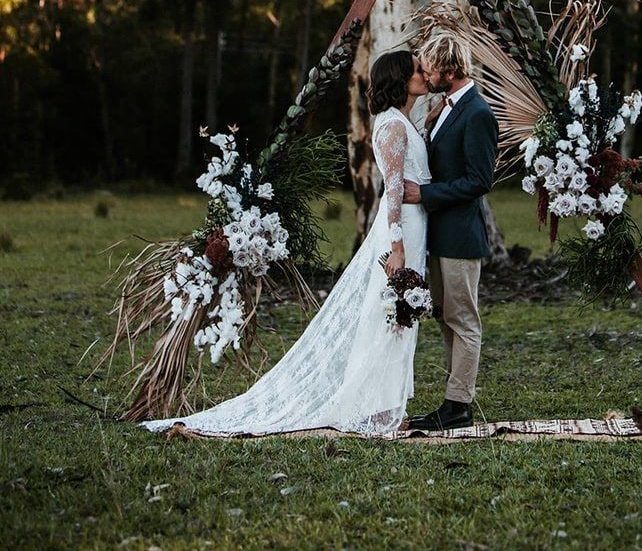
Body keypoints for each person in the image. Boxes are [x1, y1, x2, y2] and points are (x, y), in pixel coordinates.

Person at [140, 50, 430, 438]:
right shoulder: (392, 126)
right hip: (401, 231)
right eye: (416, 70)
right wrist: (397, 246)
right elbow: (392, 189)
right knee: (388, 315)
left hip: (415, 226)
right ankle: (375, 409)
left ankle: (388, 404)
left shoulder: (403, 121)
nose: (424, 73)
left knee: (396, 315)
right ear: (400, 80)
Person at [403, 31, 498, 432]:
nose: (425, 74)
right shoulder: (444, 108)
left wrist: (423, 194)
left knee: (464, 320)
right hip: (440, 234)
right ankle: (452, 400)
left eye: (430, 69)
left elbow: (479, 181)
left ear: (451, 70)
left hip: (461, 236)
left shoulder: (478, 113)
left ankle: (459, 405)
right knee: (445, 317)